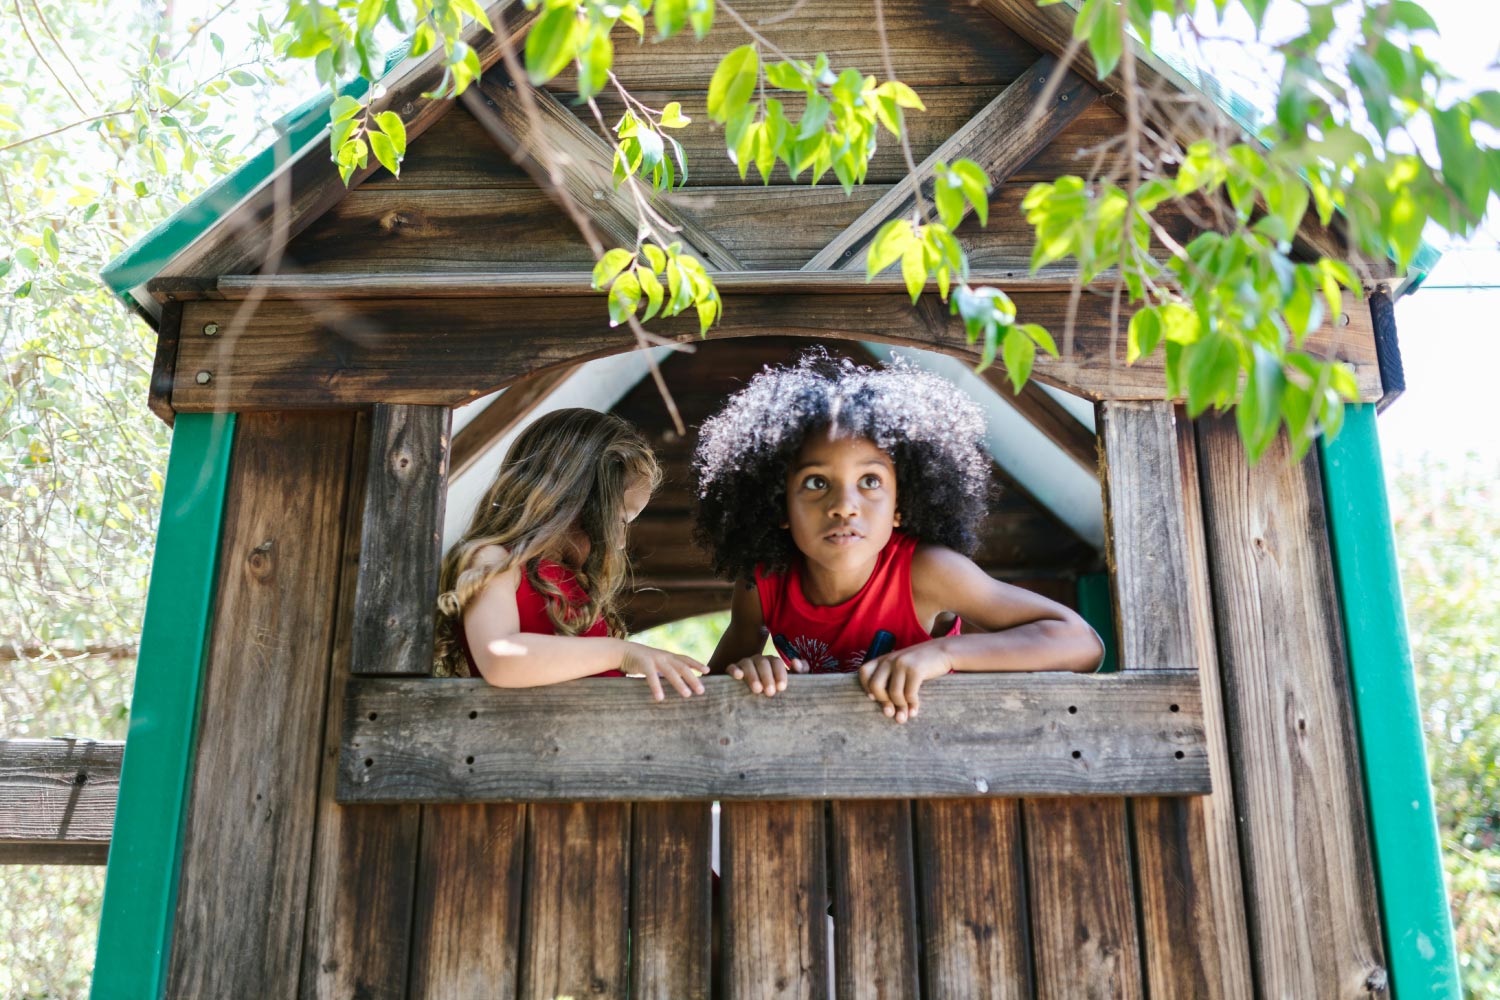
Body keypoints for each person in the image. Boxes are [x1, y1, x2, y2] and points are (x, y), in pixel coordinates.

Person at [694, 351, 1103, 722]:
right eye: (816, 482)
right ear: (779, 505)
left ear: (901, 503)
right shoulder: (762, 583)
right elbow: (709, 700)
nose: (844, 505)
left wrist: (942, 653)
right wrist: (745, 673)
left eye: (870, 480)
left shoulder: (927, 572)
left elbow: (1081, 644)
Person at [435, 407, 707, 700]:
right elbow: (500, 659)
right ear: (575, 496)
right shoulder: (494, 561)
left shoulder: (578, 588)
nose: (619, 543)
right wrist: (621, 652)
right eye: (619, 520)